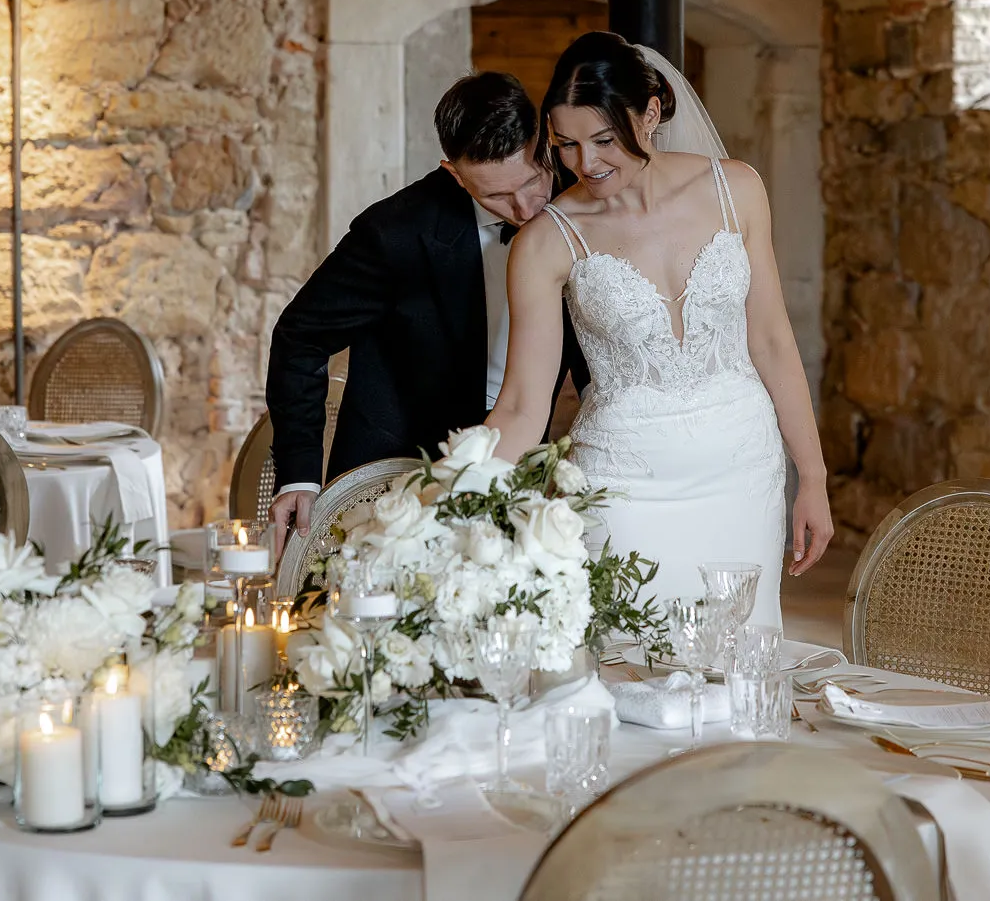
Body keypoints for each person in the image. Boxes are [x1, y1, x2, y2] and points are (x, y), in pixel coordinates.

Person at [482, 32, 833, 625]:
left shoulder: (737, 189)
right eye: (565, 144)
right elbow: (521, 405)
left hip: (743, 474)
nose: (586, 164)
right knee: (629, 677)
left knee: (734, 671)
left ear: (650, 113)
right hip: (623, 486)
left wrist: (814, 479)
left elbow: (772, 341)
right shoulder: (544, 241)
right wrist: (455, 497)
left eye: (603, 139)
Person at [266, 72, 588, 548]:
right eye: (497, 195)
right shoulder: (395, 233)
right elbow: (300, 337)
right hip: (399, 480)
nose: (524, 209)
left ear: (543, 143)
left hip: (528, 472)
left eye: (531, 181)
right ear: (454, 173)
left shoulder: (581, 204)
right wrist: (299, 474)